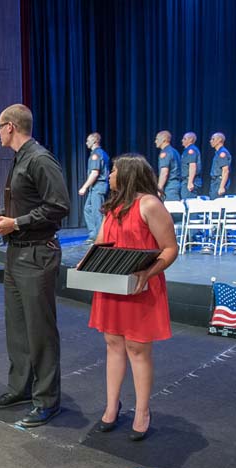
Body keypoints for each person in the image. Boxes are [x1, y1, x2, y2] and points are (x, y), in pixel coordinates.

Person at [0, 104, 70, 428]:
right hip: (17, 253)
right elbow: (27, 205)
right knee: (17, 329)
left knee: (40, 331)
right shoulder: (21, 159)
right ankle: (20, 389)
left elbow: (59, 206)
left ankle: (47, 399)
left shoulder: (40, 158)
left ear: (10, 127)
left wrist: (16, 222)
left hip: (37, 254)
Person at [86, 154, 178, 441]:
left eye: (113, 170)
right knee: (113, 344)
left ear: (127, 174)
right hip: (112, 283)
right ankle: (112, 406)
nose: (109, 174)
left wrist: (147, 274)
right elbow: (101, 242)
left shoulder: (149, 204)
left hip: (140, 287)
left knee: (138, 348)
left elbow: (170, 249)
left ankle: (142, 411)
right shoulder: (111, 207)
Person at [79, 132, 109, 243]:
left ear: (95, 141)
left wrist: (84, 187)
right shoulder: (99, 153)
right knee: (88, 209)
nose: (86, 143)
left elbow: (95, 173)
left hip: (98, 186)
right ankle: (94, 234)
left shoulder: (96, 154)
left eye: (88, 140)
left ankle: (100, 237)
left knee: (97, 212)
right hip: (96, 187)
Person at [155, 130, 181, 201]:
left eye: (157, 139)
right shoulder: (174, 151)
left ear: (164, 139)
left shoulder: (165, 153)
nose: (155, 141)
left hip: (169, 187)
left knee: (170, 209)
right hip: (175, 185)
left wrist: (159, 189)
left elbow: (164, 172)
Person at [209, 132, 232, 198]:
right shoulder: (218, 152)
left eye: (213, 139)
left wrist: (221, 187)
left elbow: (225, 170)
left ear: (219, 140)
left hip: (219, 181)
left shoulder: (222, 153)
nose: (211, 141)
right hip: (215, 182)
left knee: (216, 203)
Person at [180, 132, 202, 199]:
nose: (182, 140)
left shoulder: (191, 150)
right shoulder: (187, 150)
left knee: (188, 202)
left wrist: (190, 182)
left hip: (189, 180)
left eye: (184, 139)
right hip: (186, 180)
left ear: (190, 140)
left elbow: (192, 166)